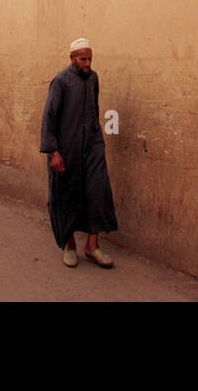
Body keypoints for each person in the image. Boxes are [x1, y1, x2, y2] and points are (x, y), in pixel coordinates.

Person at [40, 38, 118, 268]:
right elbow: (49, 118)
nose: (87, 63)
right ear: (72, 58)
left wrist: (97, 139)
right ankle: (70, 245)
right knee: (66, 196)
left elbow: (94, 109)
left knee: (98, 191)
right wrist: (54, 151)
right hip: (66, 149)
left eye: (90, 59)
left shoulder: (93, 78)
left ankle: (92, 246)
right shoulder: (61, 82)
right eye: (83, 59)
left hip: (92, 145)